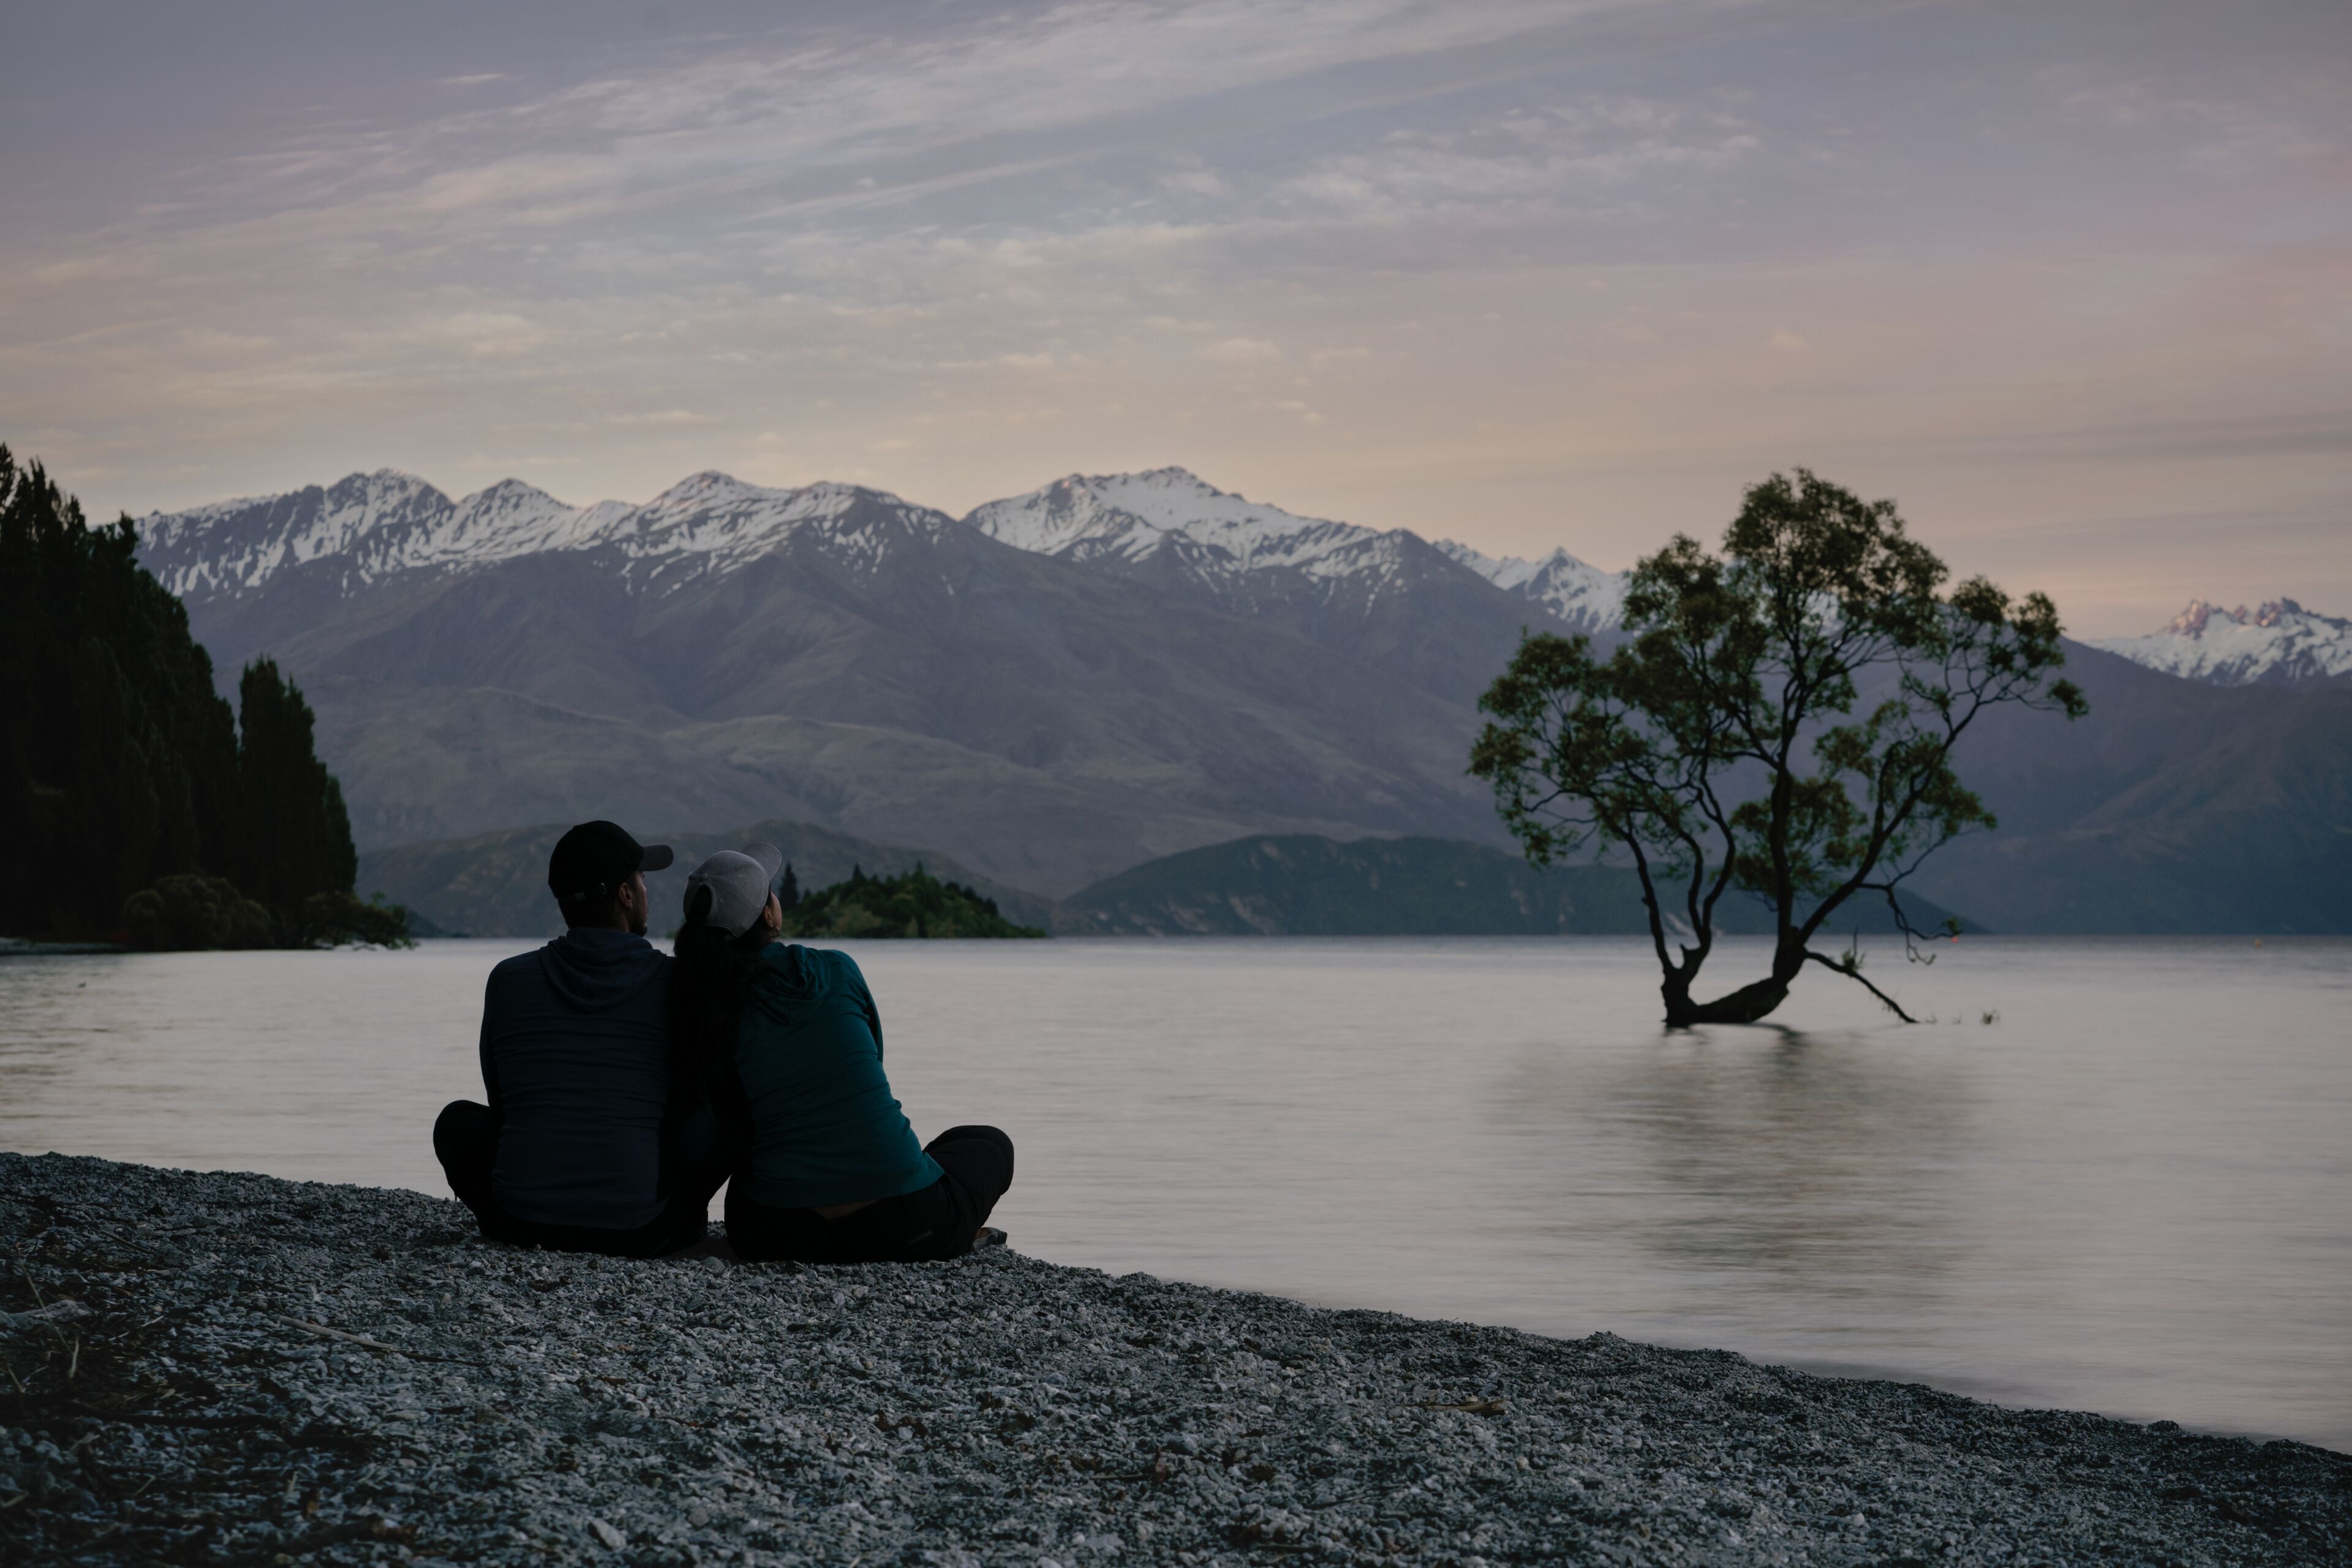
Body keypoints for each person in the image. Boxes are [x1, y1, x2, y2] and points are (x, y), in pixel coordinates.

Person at [671, 842, 1014, 1264]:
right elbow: (871, 1059)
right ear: (768, 914)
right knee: (988, 1144)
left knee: (750, 1148)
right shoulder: (836, 969)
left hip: (779, 1237)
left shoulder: (703, 1002)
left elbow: (712, 1121)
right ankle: (956, 1232)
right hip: (910, 1228)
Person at [433, 820, 723, 1257]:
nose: (647, 889)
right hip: (640, 1231)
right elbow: (691, 1096)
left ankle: (509, 1224)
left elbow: (503, 1102)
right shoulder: (675, 981)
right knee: (719, 1112)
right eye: (642, 879)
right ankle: (686, 1226)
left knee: (456, 1122)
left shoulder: (509, 980)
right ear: (625, 896)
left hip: (519, 1222)